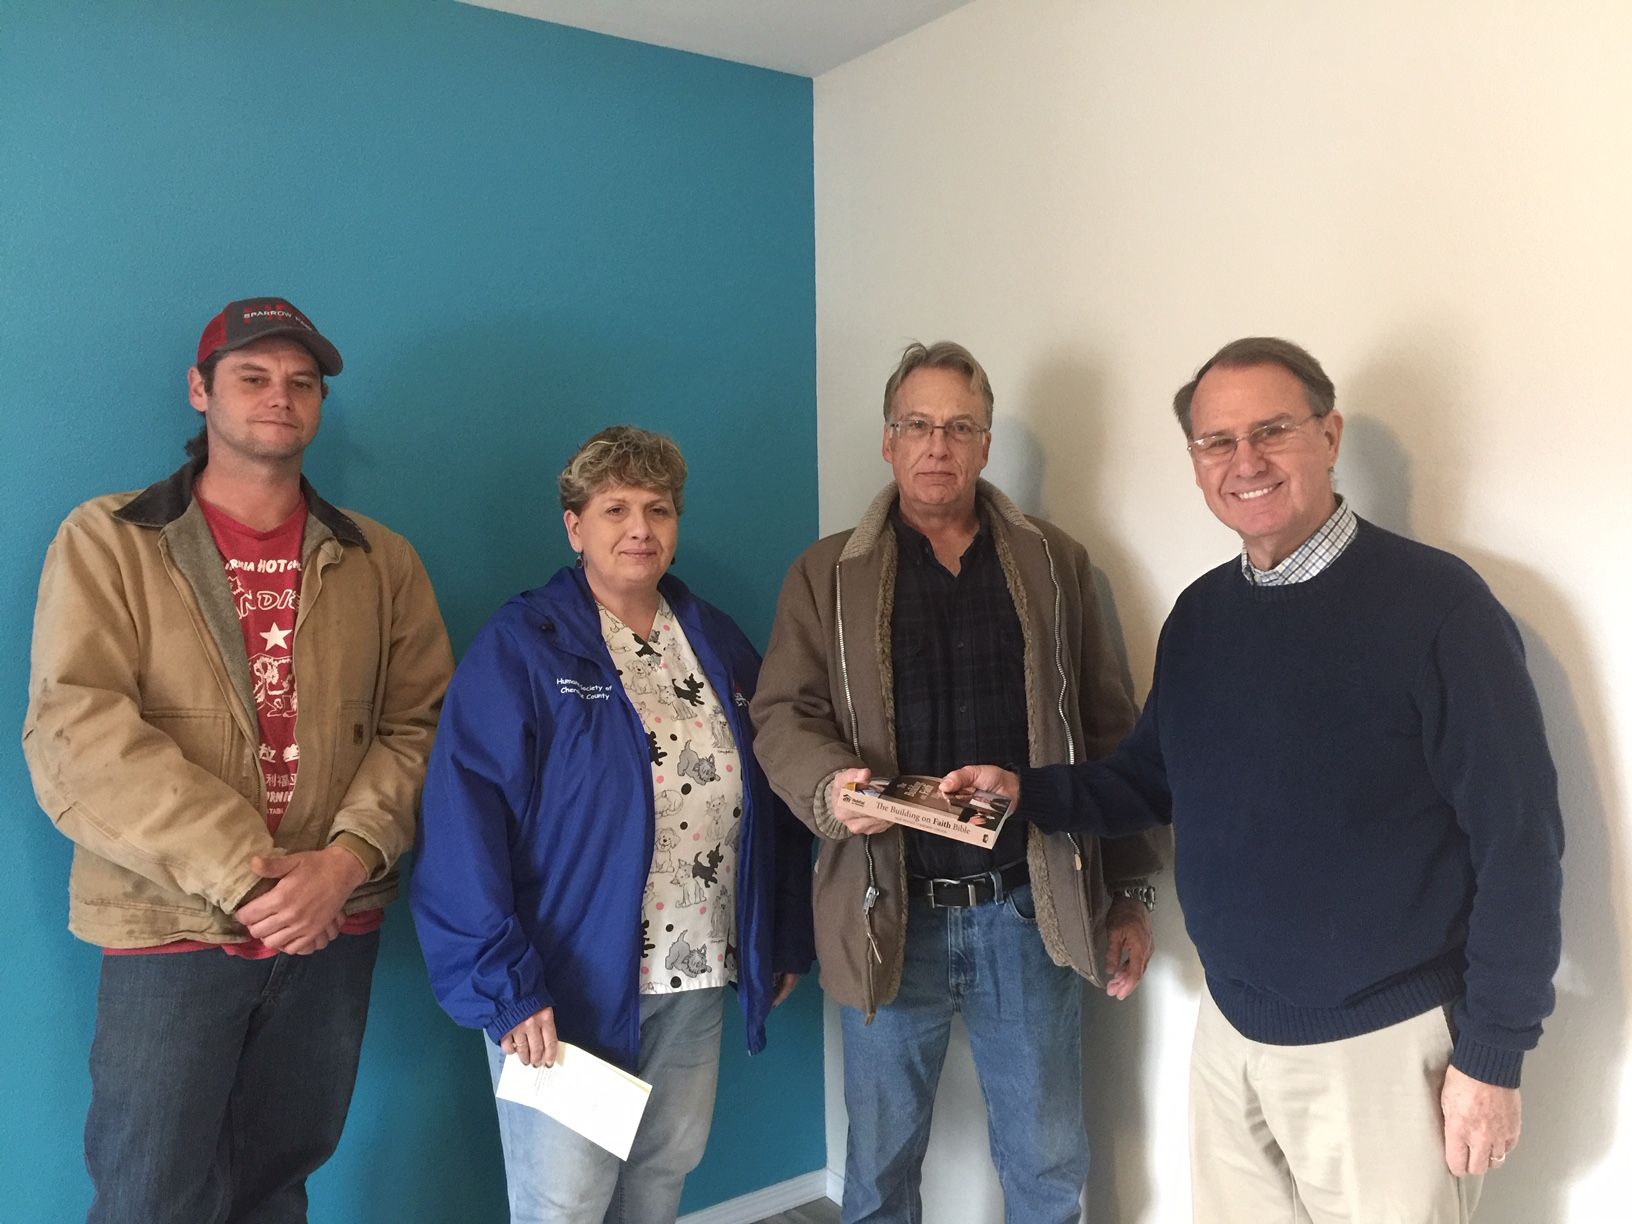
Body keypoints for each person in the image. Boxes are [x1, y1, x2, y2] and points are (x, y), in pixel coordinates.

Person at [946, 337, 1564, 1223]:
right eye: (1216, 442)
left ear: (1330, 434)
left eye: (1272, 430)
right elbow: (1153, 781)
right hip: (1231, 1031)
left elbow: (1522, 845)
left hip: (1383, 1050)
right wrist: (1025, 794)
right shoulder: (1201, 616)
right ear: (1196, 462)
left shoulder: (1439, 609)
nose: (1246, 462)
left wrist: (1495, 1055)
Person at [22, 296, 454, 1224]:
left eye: (302, 383)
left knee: (276, 1186)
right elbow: (76, 733)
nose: (279, 396)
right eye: (253, 377)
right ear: (199, 390)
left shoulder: (381, 560)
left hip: (332, 928)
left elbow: (423, 725)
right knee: (148, 1194)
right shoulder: (110, 540)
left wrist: (343, 863)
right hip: (168, 926)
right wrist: (246, 878)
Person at [751, 341, 1164, 1224]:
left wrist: (1128, 890)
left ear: (983, 446)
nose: (938, 445)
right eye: (918, 426)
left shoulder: (1058, 564)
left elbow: (1112, 731)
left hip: (1028, 906)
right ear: (889, 442)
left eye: (960, 427)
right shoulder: (826, 574)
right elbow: (783, 716)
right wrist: (834, 792)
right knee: (880, 1167)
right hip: (888, 914)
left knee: (1048, 1163)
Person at [411, 425, 815, 1224]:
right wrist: (505, 985)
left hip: (694, 971)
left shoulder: (715, 639)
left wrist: (783, 933)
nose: (640, 528)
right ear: (575, 527)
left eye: (659, 509)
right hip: (565, 986)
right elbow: (463, 825)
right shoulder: (524, 645)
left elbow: (771, 792)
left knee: (662, 1175)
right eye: (615, 508)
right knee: (566, 1202)